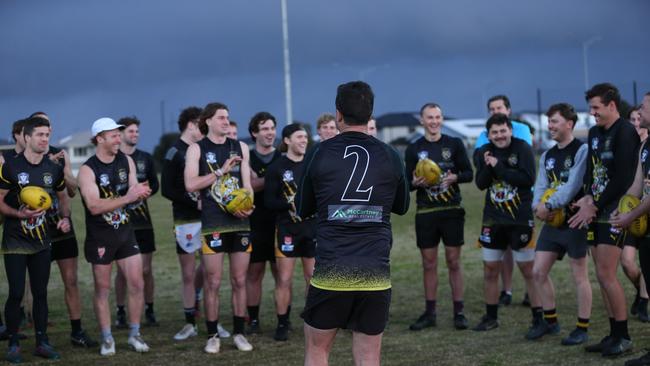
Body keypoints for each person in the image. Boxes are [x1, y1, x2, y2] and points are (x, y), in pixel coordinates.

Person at [297, 81, 409, 366]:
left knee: (318, 350)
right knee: (369, 357)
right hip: (375, 272)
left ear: (338, 114)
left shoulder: (319, 153)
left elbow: (302, 208)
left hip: (332, 269)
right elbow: (402, 206)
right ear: (370, 113)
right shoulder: (391, 155)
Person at [569, 83, 640, 357]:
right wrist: (587, 198)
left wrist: (596, 203)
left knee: (608, 274)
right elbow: (591, 171)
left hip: (613, 212)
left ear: (612, 106)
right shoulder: (595, 133)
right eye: (590, 107)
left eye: (596, 107)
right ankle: (612, 334)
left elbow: (623, 177)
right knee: (600, 275)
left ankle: (624, 336)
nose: (592, 113)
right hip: (595, 211)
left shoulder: (626, 132)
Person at [78, 117, 152, 356]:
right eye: (114, 135)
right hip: (101, 236)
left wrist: (140, 193)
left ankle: (134, 333)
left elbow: (132, 191)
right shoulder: (88, 170)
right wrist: (129, 198)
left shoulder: (126, 160)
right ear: (100, 139)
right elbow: (94, 206)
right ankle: (107, 338)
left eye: (119, 134)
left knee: (137, 282)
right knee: (103, 288)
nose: (119, 138)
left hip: (125, 232)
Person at [184, 102, 254, 354]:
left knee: (239, 279)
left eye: (228, 117)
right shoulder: (196, 149)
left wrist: (247, 204)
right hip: (213, 223)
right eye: (221, 118)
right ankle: (212, 335)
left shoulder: (241, 147)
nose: (226, 121)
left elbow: (247, 186)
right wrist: (220, 172)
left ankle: (239, 333)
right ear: (208, 121)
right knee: (213, 282)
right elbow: (191, 185)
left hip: (240, 222)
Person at [0, 117, 69, 362]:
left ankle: (42, 342)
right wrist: (19, 213)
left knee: (40, 293)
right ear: (26, 137)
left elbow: (63, 195)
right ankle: (14, 344)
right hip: (15, 239)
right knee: (16, 292)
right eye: (40, 135)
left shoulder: (53, 169)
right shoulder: (10, 166)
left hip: (42, 240)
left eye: (47, 135)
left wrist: (65, 217)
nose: (44, 139)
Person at [31, 112, 98, 348]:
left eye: (48, 125)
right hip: (35, 229)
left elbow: (71, 191)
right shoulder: (24, 159)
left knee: (71, 280)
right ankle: (37, 330)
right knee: (37, 284)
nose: (46, 129)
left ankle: (77, 331)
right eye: (41, 125)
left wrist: (64, 169)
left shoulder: (59, 154)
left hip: (62, 225)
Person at [404, 103, 473, 331]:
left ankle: (459, 312)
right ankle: (430, 312)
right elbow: (406, 183)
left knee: (454, 262)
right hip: (426, 213)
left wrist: (455, 178)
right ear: (422, 121)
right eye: (429, 118)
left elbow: (468, 173)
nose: (434, 121)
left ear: (441, 119)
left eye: (437, 117)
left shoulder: (454, 144)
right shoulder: (414, 149)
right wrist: (414, 183)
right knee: (428, 263)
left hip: (451, 211)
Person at [528, 103, 592, 344]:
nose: (550, 126)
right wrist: (537, 207)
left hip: (575, 221)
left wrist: (550, 205)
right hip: (552, 224)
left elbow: (573, 184)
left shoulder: (582, 150)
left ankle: (582, 327)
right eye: (549, 122)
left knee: (579, 275)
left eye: (554, 121)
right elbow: (541, 185)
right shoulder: (547, 155)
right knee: (538, 271)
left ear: (569, 123)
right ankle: (551, 322)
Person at [472, 113, 540, 332]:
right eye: (494, 132)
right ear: (489, 135)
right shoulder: (485, 151)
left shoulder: (523, 149)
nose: (499, 136)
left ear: (510, 130)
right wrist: (488, 165)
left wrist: (499, 167)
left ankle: (539, 318)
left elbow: (528, 179)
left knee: (528, 269)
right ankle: (491, 317)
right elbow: (481, 184)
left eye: (503, 131)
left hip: (519, 218)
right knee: (490, 269)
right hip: (493, 220)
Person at [265, 123, 315, 341]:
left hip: (311, 228)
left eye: (305, 137)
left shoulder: (313, 164)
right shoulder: (277, 167)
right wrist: (290, 205)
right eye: (299, 137)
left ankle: (313, 321)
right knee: (284, 279)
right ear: (287, 140)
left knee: (312, 278)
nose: (304, 140)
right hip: (287, 230)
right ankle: (283, 323)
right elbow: (269, 201)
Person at [113, 117, 160, 328]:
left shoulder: (146, 158)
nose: (135, 135)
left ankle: (149, 309)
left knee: (146, 270)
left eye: (137, 132)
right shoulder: (114, 159)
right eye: (131, 131)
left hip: (143, 222)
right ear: (120, 134)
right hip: (121, 223)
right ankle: (121, 311)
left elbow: (155, 185)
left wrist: (145, 190)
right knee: (123, 272)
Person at [614, 92, 650, 366]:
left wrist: (631, 215)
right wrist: (622, 209)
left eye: (645, 105)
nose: (640, 109)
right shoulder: (645, 145)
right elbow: (637, 186)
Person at [245, 112, 282, 334]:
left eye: (272, 128)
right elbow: (250, 186)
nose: (270, 133)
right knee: (254, 274)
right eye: (265, 129)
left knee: (281, 275)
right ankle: (254, 320)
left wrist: (261, 181)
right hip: (255, 223)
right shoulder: (247, 157)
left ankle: (282, 321)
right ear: (254, 133)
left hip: (280, 223)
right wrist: (277, 177)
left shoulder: (282, 155)